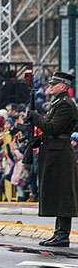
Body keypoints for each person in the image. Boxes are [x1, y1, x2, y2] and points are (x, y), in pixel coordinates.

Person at [20, 71, 78, 247]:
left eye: (54, 84)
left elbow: (53, 127)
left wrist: (35, 117)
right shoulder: (58, 103)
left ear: (63, 86)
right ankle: (58, 232)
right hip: (54, 151)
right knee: (58, 193)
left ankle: (62, 234)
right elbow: (51, 130)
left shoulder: (66, 105)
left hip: (60, 153)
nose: (50, 86)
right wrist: (35, 140)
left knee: (63, 194)